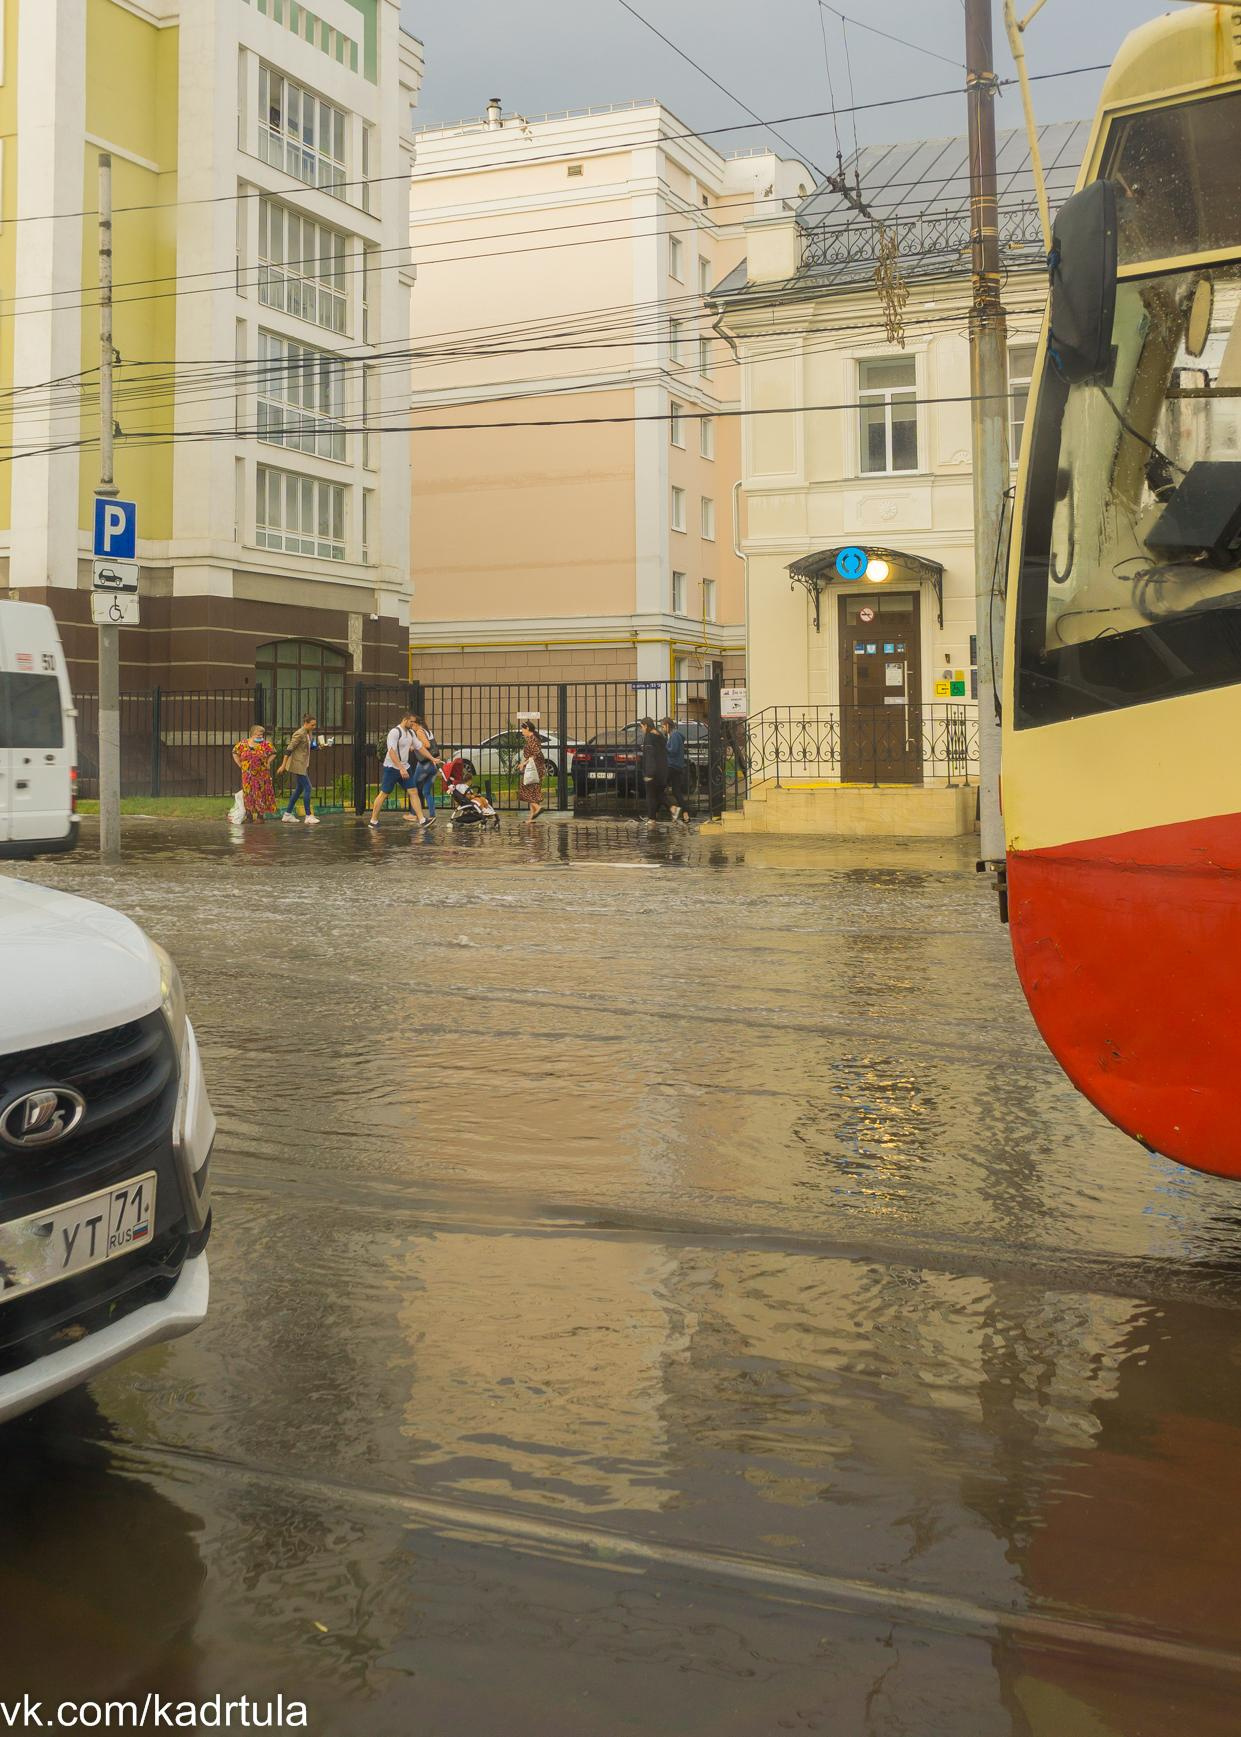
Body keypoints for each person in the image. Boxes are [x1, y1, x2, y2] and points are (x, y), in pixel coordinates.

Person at [369, 712, 425, 829]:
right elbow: (391, 752)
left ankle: (422, 820)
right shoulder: (395, 732)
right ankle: (373, 821)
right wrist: (400, 768)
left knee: (413, 792)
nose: (413, 724)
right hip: (392, 768)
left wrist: (432, 758)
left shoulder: (410, 733)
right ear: (405, 720)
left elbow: (419, 747)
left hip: (405, 767)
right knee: (384, 794)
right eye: (412, 721)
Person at [279, 714, 320, 826]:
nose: (314, 727)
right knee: (308, 787)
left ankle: (287, 814)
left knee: (299, 789)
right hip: (297, 764)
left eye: (315, 724)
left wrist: (319, 747)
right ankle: (308, 816)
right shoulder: (299, 733)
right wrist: (283, 765)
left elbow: (308, 746)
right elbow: (289, 749)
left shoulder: (308, 733)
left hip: (303, 764)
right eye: (312, 725)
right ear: (305, 724)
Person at [232, 723, 275, 823]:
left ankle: (260, 816)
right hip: (247, 774)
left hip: (261, 774)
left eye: (261, 735)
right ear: (252, 734)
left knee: (260, 793)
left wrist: (268, 762)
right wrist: (240, 764)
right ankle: (249, 815)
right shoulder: (243, 744)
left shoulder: (265, 744)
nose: (260, 736)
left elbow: (273, 753)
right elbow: (234, 752)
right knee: (248, 793)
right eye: (258, 734)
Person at [409, 714, 442, 824]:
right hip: (433, 766)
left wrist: (414, 746)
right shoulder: (428, 731)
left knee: (413, 788)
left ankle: (413, 814)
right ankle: (432, 815)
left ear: (417, 724)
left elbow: (427, 745)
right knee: (426, 791)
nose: (411, 726)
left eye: (413, 724)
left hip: (424, 764)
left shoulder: (419, 731)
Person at [662, 716, 691, 825]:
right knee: (676, 792)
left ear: (668, 725)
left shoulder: (674, 736)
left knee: (659, 788)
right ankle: (686, 814)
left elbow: (673, 751)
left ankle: (672, 808)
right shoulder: (676, 735)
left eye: (663, 726)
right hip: (677, 767)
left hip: (672, 767)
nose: (663, 729)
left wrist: (663, 747)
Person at [641, 717, 671, 824]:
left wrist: (649, 773)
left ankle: (653, 818)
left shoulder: (649, 737)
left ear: (646, 726)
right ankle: (653, 818)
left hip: (653, 771)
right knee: (658, 794)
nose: (642, 729)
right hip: (663, 771)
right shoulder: (660, 736)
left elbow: (650, 756)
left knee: (651, 796)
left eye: (642, 727)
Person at [517, 721, 548, 820]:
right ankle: (531, 818)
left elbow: (536, 754)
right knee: (533, 791)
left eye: (523, 729)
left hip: (534, 769)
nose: (522, 731)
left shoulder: (532, 739)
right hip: (535, 768)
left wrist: (524, 764)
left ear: (527, 729)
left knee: (525, 788)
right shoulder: (532, 739)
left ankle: (538, 808)